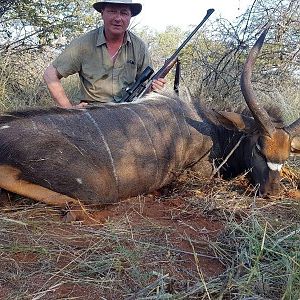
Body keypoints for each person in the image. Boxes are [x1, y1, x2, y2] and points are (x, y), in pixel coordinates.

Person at [43, 0, 166, 108]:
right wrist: (68, 110)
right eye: (112, 11)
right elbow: (50, 75)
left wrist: (154, 88)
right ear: (102, 13)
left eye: (124, 13)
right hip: (93, 114)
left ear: (130, 16)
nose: (118, 18)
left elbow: (146, 87)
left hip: (128, 113)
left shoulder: (139, 47)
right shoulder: (83, 44)